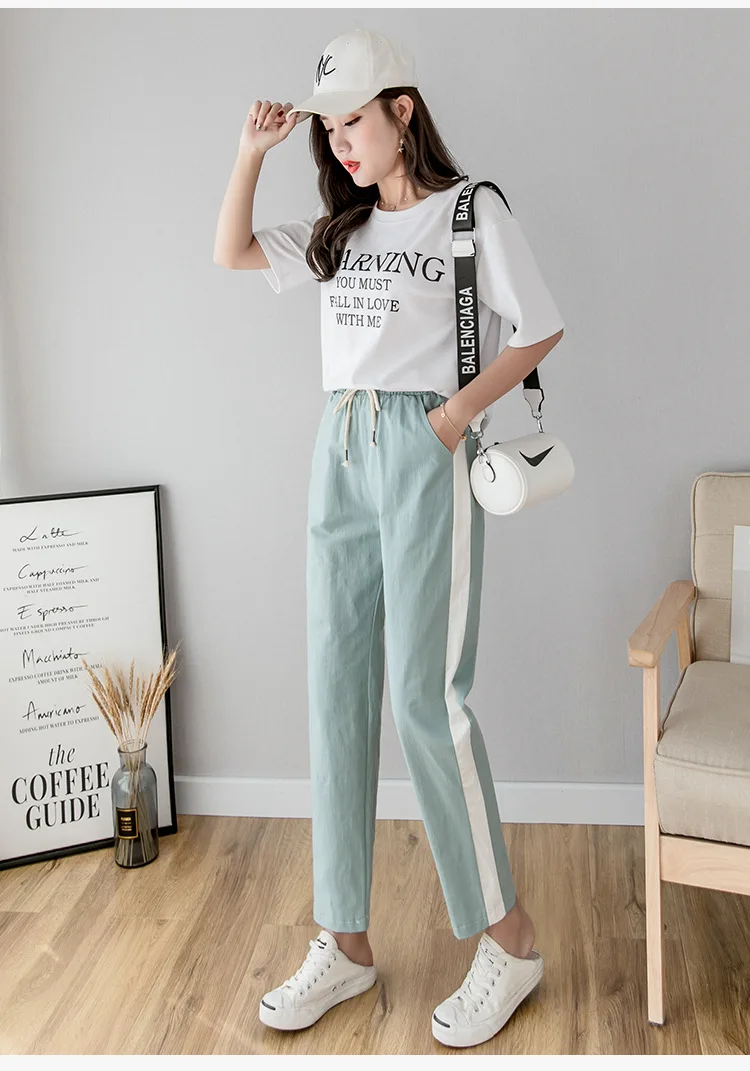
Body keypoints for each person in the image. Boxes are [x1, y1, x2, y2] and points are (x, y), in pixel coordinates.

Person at [213, 26, 565, 1050]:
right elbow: (231, 250)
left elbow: (539, 325)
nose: (341, 143)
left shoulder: (471, 210)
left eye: (353, 121)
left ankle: (510, 940)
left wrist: (453, 417)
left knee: (425, 699)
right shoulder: (343, 228)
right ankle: (345, 941)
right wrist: (251, 153)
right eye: (328, 128)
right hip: (339, 449)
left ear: (402, 111)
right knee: (336, 691)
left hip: (422, 451)